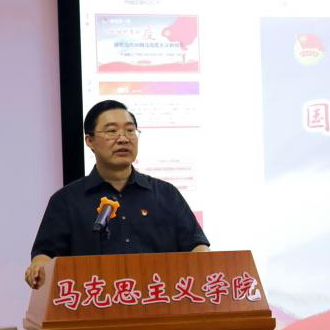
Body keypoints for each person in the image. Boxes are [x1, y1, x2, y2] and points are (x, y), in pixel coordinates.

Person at [24, 100, 209, 289]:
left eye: (130, 130)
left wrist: (205, 263)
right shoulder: (66, 200)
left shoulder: (166, 194)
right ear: (89, 141)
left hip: (160, 298)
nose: (123, 139)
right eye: (112, 131)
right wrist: (38, 266)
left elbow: (196, 246)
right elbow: (45, 254)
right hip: (94, 302)